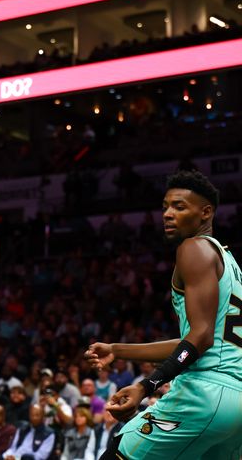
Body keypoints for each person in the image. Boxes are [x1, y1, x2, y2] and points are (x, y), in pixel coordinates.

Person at [85, 170, 242, 459]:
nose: (168, 214)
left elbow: (201, 338)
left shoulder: (193, 247)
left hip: (204, 396)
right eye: (165, 207)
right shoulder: (229, 262)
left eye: (179, 207)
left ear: (206, 212)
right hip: (236, 406)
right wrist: (117, 350)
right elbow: (199, 342)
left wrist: (145, 387)